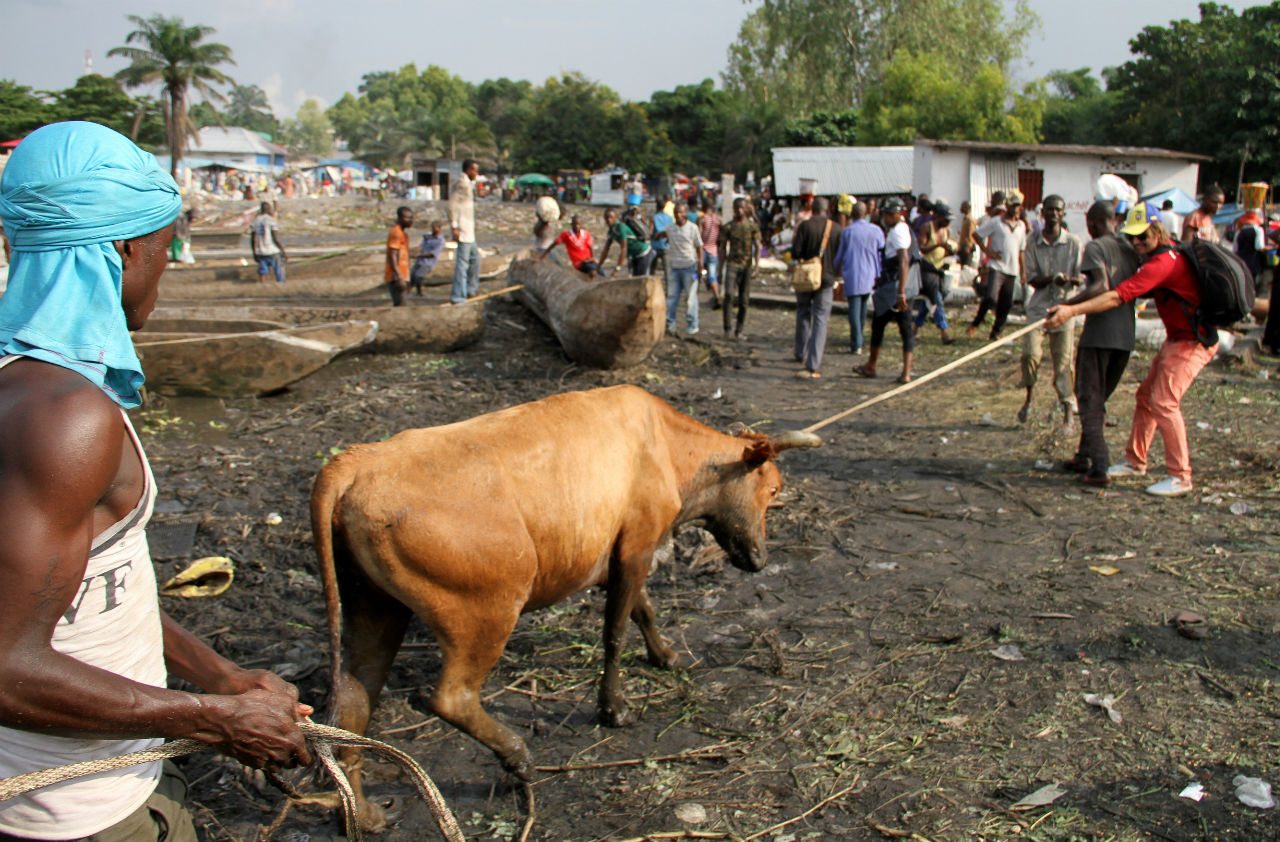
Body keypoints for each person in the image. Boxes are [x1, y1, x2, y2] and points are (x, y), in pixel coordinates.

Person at [0, 121, 311, 841]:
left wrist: (218, 676)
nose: (168, 270)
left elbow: (72, 594)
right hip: (72, 812)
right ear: (123, 250)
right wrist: (212, 721)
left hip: (103, 776)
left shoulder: (28, 386)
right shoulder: (67, 418)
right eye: (166, 248)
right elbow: (7, 664)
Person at [1046, 202, 1217, 497]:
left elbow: (1117, 296)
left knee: (1164, 402)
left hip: (1194, 342)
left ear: (1157, 230)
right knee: (1146, 398)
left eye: (1143, 236)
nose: (1137, 242)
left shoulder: (1162, 262)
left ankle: (1180, 477)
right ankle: (1135, 461)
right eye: (1133, 236)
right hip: (1176, 339)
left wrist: (1070, 311)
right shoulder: (1161, 254)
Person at [1059, 201, 1140, 485]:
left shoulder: (1095, 247)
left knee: (1089, 400)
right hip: (1125, 337)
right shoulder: (1130, 249)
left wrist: (1066, 306)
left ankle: (1100, 466)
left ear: (1092, 223)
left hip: (1099, 335)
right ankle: (1083, 455)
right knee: (1098, 397)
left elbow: (1098, 287)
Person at [1018, 194, 1082, 431]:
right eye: (1049, 210)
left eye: (1058, 210)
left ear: (1063, 214)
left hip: (1064, 308)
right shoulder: (1033, 241)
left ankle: (1067, 411)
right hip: (1039, 308)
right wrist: (1051, 279)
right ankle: (1030, 397)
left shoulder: (1074, 243)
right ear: (1043, 213)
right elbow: (1032, 278)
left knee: (1063, 362)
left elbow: (1081, 277)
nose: (1053, 214)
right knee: (1029, 355)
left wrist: (1068, 280)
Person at [854, 196, 916, 383]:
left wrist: (901, 292)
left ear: (899, 214)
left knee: (880, 325)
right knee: (904, 329)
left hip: (894, 287)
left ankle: (873, 366)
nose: (886, 217)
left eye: (889, 214)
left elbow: (903, 261)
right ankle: (904, 372)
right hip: (899, 286)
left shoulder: (898, 232)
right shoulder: (901, 230)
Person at [790, 197, 840, 378]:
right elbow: (839, 255)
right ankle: (814, 362)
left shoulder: (805, 226)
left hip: (806, 278)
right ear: (827, 210)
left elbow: (795, 252)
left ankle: (800, 352)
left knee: (803, 313)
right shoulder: (835, 229)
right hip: (827, 279)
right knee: (820, 320)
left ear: (812, 208)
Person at [970, 189, 1026, 340]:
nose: (1015, 209)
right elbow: (976, 234)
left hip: (1012, 268)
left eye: (1017, 206)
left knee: (1006, 302)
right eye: (1012, 206)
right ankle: (977, 322)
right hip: (997, 265)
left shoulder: (1021, 226)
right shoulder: (996, 222)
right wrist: (988, 252)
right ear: (1007, 206)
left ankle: (996, 332)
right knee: (990, 297)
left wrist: (1023, 271)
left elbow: (1021, 250)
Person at [834, 200, 883, 355]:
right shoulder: (876, 231)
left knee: (854, 310)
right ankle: (859, 338)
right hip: (870, 274)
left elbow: (839, 255)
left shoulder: (848, 232)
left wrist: (833, 269)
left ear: (852, 214)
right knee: (862, 308)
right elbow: (881, 252)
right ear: (865, 213)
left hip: (853, 274)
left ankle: (856, 343)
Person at [652, 202, 703, 335]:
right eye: (676, 213)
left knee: (691, 298)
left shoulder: (693, 228)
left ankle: (693, 324)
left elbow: (699, 247)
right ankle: (670, 323)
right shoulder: (670, 229)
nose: (678, 215)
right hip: (674, 267)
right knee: (672, 297)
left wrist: (700, 266)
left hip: (690, 267)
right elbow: (657, 236)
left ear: (685, 213)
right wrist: (662, 235)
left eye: (681, 212)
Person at [718, 197, 760, 340]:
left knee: (744, 300)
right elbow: (722, 249)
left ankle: (739, 330)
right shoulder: (728, 227)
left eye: (742, 208)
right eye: (737, 208)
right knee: (729, 295)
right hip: (732, 265)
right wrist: (719, 268)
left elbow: (758, 246)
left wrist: (756, 265)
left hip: (747, 265)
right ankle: (727, 328)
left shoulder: (751, 227)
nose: (739, 211)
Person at [914, 200, 955, 345]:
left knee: (928, 301)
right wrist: (939, 245)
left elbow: (943, 251)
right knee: (936, 299)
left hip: (939, 269)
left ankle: (915, 328)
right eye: (946, 219)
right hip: (927, 269)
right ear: (938, 217)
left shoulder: (946, 231)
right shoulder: (927, 228)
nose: (947, 223)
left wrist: (949, 251)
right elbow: (922, 249)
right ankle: (944, 332)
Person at [449, 158, 480, 304]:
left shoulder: (468, 184)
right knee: (462, 265)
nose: (476, 173)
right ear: (469, 170)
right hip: (463, 230)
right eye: (475, 170)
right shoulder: (462, 183)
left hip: (469, 230)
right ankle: (458, 296)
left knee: (475, 260)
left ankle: (470, 290)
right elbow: (453, 204)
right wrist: (454, 226)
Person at [599, 207, 655, 277]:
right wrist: (598, 267)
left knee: (642, 279)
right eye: (606, 218)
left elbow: (624, 249)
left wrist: (617, 269)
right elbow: (605, 250)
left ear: (615, 218)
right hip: (634, 255)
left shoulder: (621, 227)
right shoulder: (611, 231)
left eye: (610, 217)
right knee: (635, 279)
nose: (608, 220)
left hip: (644, 252)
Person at [542, 213, 599, 278]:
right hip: (580, 263)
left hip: (589, 261)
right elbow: (554, 243)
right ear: (571, 224)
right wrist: (544, 255)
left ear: (581, 224)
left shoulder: (586, 234)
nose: (577, 226)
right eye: (575, 224)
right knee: (592, 272)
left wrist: (592, 258)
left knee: (600, 271)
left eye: (578, 224)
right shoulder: (566, 235)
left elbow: (590, 247)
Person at [250, 201, 286, 284]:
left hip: (261, 250)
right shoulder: (271, 220)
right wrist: (283, 251)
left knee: (262, 270)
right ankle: (281, 284)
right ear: (268, 209)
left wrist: (254, 252)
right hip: (272, 249)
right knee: (279, 269)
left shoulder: (255, 221)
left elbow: (253, 239)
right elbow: (275, 237)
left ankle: (263, 285)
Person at [409, 220, 446, 295]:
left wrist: (418, 255)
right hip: (420, 260)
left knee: (418, 277)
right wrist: (413, 252)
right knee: (412, 276)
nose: (433, 230)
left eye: (434, 228)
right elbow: (421, 246)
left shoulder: (440, 241)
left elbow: (433, 254)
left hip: (428, 262)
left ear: (439, 228)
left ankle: (419, 293)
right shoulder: (428, 237)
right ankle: (408, 293)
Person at [386, 205, 413, 306]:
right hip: (396, 278)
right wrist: (399, 276)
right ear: (399, 218)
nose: (410, 220)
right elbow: (392, 255)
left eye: (411, 218)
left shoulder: (403, 234)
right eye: (407, 218)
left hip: (402, 275)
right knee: (401, 306)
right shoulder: (396, 233)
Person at [699, 200, 722, 307]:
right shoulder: (717, 218)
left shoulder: (702, 219)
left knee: (701, 272)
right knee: (711, 274)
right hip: (714, 250)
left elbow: (698, 237)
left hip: (703, 250)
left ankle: (715, 295)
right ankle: (715, 294)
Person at [1233, 208, 1267, 282]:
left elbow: (1235, 249)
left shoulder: (1238, 232)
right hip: (1254, 264)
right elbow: (1259, 247)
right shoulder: (1258, 230)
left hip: (1241, 264)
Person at [650, 194, 674, 285]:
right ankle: (669, 293)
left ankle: (651, 289)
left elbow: (651, 232)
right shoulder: (670, 218)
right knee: (667, 271)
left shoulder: (654, 217)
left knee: (651, 270)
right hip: (666, 246)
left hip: (655, 246)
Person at [956, 200, 976, 267]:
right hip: (963, 248)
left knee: (966, 270)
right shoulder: (965, 219)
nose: (960, 208)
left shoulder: (970, 220)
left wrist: (967, 249)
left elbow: (971, 236)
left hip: (967, 250)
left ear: (967, 207)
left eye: (962, 207)